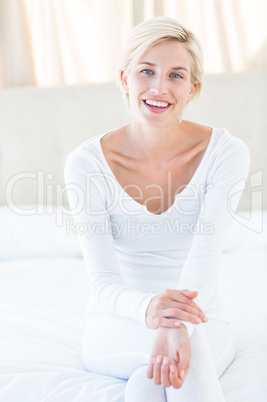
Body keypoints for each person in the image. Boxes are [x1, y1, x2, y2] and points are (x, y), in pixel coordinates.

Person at [64, 16, 250, 402]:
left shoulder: (225, 153)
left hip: (202, 317)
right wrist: (152, 310)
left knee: (167, 372)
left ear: (193, 88)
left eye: (176, 76)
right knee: (174, 363)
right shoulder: (86, 163)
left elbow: (205, 258)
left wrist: (177, 322)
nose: (159, 87)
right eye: (146, 71)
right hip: (121, 317)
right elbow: (103, 283)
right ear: (124, 79)